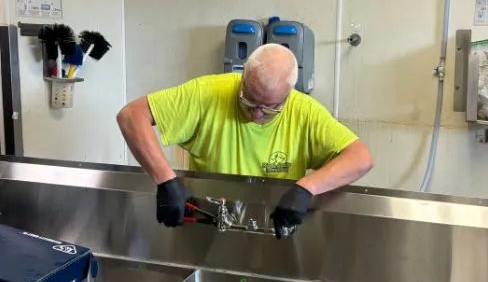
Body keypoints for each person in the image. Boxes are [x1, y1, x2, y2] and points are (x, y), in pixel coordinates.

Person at [117, 44, 374, 237]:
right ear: (242, 80)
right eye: (249, 100)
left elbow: (361, 157)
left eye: (270, 107)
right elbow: (131, 116)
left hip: (273, 228)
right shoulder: (208, 94)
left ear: (288, 95)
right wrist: (165, 179)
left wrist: (307, 187)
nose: (257, 113)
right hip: (208, 223)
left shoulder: (305, 111)